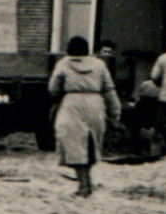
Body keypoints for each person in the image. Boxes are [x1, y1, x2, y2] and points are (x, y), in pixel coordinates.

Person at [47, 35, 122, 198]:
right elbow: (109, 89)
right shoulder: (99, 64)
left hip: (72, 103)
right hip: (95, 103)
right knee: (90, 144)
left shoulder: (63, 64)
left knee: (73, 144)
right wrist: (115, 111)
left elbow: (53, 89)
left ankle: (83, 185)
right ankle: (88, 182)